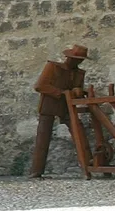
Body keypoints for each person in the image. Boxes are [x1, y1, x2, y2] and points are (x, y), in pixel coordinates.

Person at [29, 44, 88, 178]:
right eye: (75, 59)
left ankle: (87, 164)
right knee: (43, 137)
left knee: (78, 130)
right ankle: (36, 171)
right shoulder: (53, 67)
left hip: (67, 107)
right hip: (50, 105)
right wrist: (62, 93)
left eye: (80, 60)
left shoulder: (79, 73)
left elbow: (77, 88)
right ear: (68, 57)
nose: (78, 62)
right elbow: (40, 86)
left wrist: (79, 91)